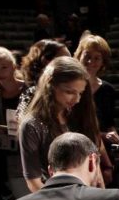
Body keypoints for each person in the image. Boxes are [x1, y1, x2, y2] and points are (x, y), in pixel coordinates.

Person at [19, 56, 98, 192]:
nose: (77, 99)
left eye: (80, 93)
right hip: (56, 198)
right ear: (50, 86)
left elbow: (95, 167)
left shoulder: (77, 116)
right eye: (69, 92)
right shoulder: (32, 125)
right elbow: (33, 181)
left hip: (87, 196)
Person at [0, 46, 32, 198]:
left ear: (13, 67)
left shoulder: (28, 88)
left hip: (28, 142)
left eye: (3, 67)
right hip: (6, 147)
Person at [75, 33, 119, 148]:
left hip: (100, 147)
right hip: (75, 145)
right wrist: (103, 135)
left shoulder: (107, 89)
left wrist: (113, 135)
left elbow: (109, 123)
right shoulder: (70, 87)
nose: (90, 62)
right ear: (79, 56)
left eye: (96, 58)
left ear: (102, 62)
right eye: (87, 56)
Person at [17, 39, 71, 115]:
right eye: (64, 60)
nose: (71, 64)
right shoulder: (31, 93)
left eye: (70, 60)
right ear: (46, 61)